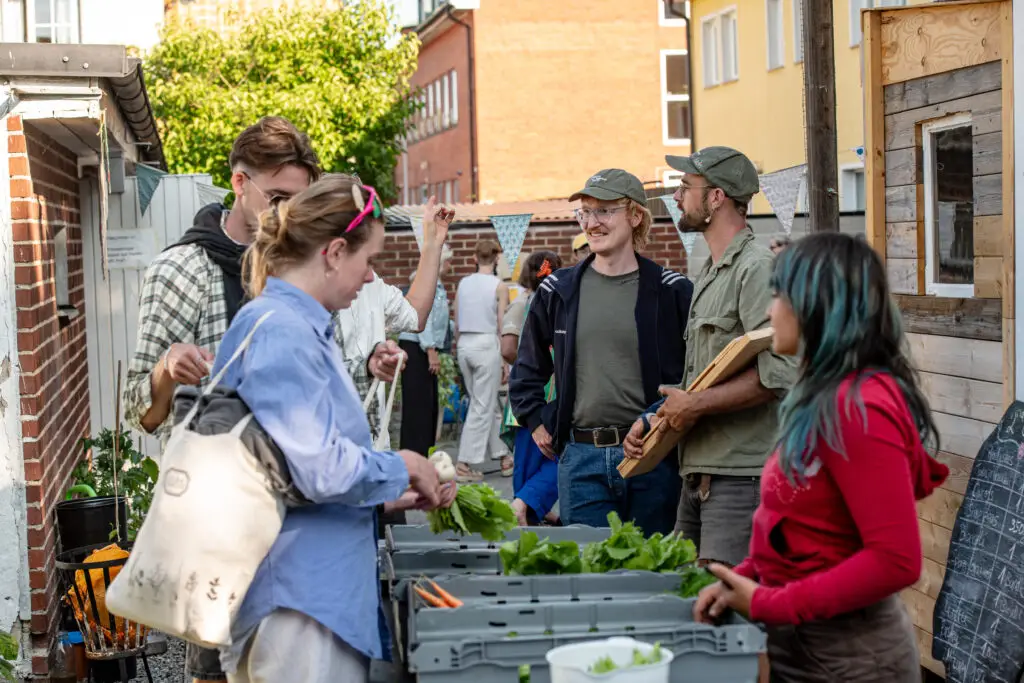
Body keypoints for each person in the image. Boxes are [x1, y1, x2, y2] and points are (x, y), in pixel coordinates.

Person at [215, 175, 456, 683]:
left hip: (313, 598)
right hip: (298, 605)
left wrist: (393, 496)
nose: (371, 278)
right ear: (334, 252)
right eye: (368, 262)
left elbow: (292, 476)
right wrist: (402, 465)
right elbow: (320, 468)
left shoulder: (299, 325)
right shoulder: (282, 329)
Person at [693, 232, 949, 682]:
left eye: (777, 296)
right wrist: (742, 580)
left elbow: (896, 559)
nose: (770, 313)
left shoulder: (860, 407)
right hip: (805, 644)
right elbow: (802, 528)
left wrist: (770, 602)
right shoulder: (822, 396)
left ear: (813, 305)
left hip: (849, 658)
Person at [122, 116, 320, 683]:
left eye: (297, 203)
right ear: (239, 183)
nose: (286, 216)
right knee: (216, 666)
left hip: (297, 502)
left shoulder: (298, 267)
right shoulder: (179, 270)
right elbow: (141, 409)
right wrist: (166, 370)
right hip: (215, 516)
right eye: (277, 197)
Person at [624, 147, 798, 564]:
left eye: (686, 186)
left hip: (741, 479)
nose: (679, 196)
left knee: (729, 614)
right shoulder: (711, 270)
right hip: (701, 473)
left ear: (716, 197)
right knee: (692, 604)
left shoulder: (756, 268)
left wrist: (694, 404)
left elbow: (781, 373)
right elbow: (708, 376)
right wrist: (656, 420)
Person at [509, 169, 692, 535]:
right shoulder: (557, 290)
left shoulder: (672, 291)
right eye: (585, 213)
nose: (592, 223)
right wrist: (535, 419)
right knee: (588, 577)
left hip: (651, 456)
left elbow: (692, 375)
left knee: (651, 573)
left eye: (604, 211)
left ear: (635, 215)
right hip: (581, 459)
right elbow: (528, 365)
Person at [333, 194, 454, 448]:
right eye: (368, 259)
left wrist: (432, 244)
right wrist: (367, 367)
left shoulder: (372, 283)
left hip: (374, 449)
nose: (371, 275)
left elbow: (414, 315)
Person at [501, 250, 562, 526]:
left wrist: (529, 362)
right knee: (556, 455)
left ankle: (525, 507)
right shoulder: (562, 303)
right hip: (556, 391)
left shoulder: (522, 303)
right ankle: (531, 507)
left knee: (526, 460)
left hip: (527, 392)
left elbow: (507, 349)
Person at [453, 239, 510, 481]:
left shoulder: (463, 283)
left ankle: (504, 456)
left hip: (464, 343)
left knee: (485, 403)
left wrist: (458, 346)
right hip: (487, 344)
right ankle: (464, 463)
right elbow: (502, 323)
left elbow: (455, 318)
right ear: (497, 258)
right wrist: (505, 359)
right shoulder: (499, 286)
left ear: (475, 258)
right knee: (482, 405)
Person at [398, 246, 453, 457]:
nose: (450, 265)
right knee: (418, 405)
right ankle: (415, 454)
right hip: (418, 346)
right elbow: (424, 318)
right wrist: (431, 350)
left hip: (423, 345)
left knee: (428, 404)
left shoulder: (438, 287)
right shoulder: (427, 286)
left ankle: (424, 453)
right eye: (448, 261)